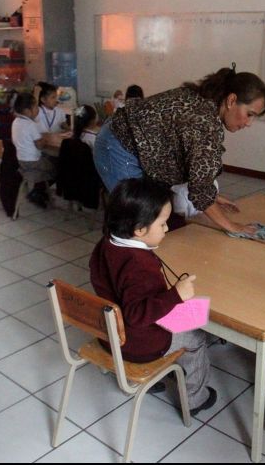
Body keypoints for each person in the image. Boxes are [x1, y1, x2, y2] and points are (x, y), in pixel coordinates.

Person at [89, 178, 217, 416]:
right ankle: (196, 399)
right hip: (137, 343)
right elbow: (137, 315)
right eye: (163, 224)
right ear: (139, 230)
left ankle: (140, 378)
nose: (167, 229)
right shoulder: (138, 264)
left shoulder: (106, 243)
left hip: (109, 334)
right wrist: (176, 295)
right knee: (197, 336)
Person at [93, 65, 265, 235]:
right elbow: (199, 189)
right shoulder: (205, 124)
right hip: (117, 144)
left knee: (150, 218)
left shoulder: (205, 103)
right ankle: (118, 262)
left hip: (127, 140)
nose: (248, 124)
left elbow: (194, 172)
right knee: (137, 221)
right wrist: (233, 227)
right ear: (231, 100)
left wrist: (212, 196)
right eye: (249, 114)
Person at [11, 92, 58, 208]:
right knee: (59, 165)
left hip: (22, 162)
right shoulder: (30, 124)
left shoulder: (15, 122)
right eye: (36, 107)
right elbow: (40, 145)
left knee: (49, 159)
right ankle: (39, 192)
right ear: (27, 111)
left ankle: (39, 191)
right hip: (34, 163)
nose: (38, 109)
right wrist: (45, 140)